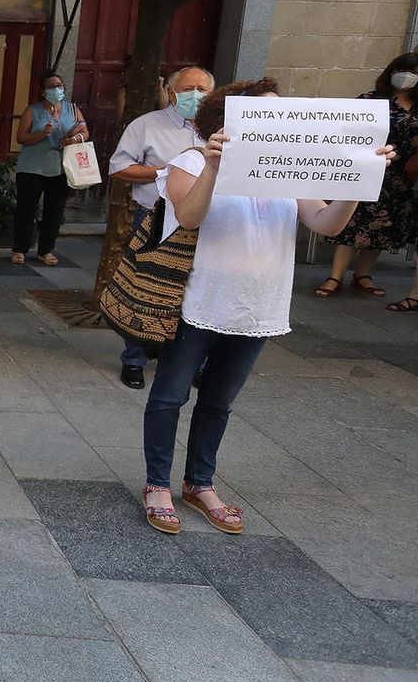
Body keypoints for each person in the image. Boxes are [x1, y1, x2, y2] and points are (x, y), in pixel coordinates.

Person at [139, 79, 393, 535]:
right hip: (198, 300)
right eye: (266, 113)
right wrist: (214, 167)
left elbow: (326, 224)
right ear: (232, 118)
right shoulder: (191, 161)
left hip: (257, 306)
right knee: (170, 395)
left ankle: (200, 483)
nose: (277, 121)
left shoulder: (288, 169)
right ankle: (157, 485)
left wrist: (360, 179)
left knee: (219, 400)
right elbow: (190, 216)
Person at [107, 65, 214, 389]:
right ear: (170, 92)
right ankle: (135, 359)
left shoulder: (221, 130)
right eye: (188, 89)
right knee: (146, 289)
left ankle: (192, 362)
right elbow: (119, 168)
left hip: (208, 224)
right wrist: (168, 171)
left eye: (203, 90)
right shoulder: (146, 125)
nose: (195, 95)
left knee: (197, 292)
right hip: (156, 219)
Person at [317, 52, 418, 302]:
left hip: (402, 177)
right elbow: (346, 130)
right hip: (367, 170)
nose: (407, 76)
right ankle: (335, 276)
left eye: (414, 72)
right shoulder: (371, 99)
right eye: (402, 70)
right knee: (352, 221)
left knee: (382, 227)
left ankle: (363, 274)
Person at [12, 71, 89, 266]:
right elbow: (21, 137)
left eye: (60, 86)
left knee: (54, 211)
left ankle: (46, 250)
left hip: (60, 169)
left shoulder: (72, 110)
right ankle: (20, 249)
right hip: (32, 168)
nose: (57, 90)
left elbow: (85, 132)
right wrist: (42, 134)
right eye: (52, 87)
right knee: (26, 210)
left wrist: (73, 139)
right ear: (43, 92)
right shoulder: (33, 111)